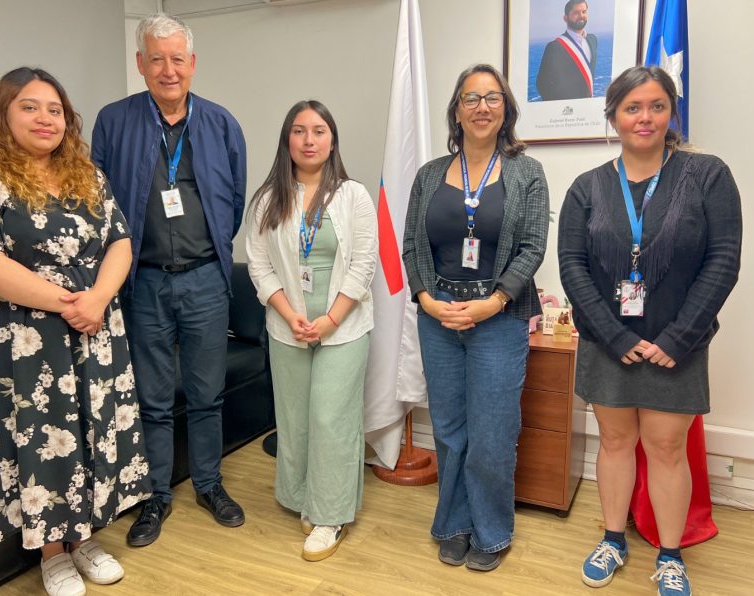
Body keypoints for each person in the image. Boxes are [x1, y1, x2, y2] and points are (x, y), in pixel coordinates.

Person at [0, 67, 151, 596]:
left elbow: (119, 241)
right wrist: (70, 304)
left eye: (54, 109)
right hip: (23, 343)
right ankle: (51, 551)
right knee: (39, 437)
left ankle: (83, 539)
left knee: (88, 432)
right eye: (30, 106)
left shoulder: (88, 175)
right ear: (3, 114)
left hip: (92, 330)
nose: (45, 118)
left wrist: (97, 299)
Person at [558, 66, 742, 595]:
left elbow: (723, 260)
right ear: (613, 115)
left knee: (666, 449)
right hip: (608, 343)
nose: (645, 117)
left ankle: (668, 554)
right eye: (632, 107)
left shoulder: (707, 176)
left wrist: (678, 338)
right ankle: (613, 540)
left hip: (676, 347)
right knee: (614, 444)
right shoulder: (587, 187)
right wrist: (616, 338)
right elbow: (572, 266)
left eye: (657, 105)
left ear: (671, 113)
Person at [92, 13, 247, 545]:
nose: (167, 69)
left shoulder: (222, 123)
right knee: (153, 400)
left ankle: (208, 484)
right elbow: (101, 206)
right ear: (140, 64)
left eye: (177, 58)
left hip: (206, 280)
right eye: (156, 58)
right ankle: (155, 496)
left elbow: (235, 202)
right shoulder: (114, 122)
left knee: (207, 394)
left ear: (192, 64)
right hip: (143, 285)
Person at [402, 64, 549, 572]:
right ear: (457, 111)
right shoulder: (427, 175)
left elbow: (532, 247)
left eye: (492, 98)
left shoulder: (526, 172)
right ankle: (454, 525)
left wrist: (494, 301)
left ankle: (491, 531)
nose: (482, 107)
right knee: (448, 430)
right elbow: (412, 248)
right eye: (471, 98)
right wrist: (425, 298)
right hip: (438, 316)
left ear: (505, 108)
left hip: (498, 319)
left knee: (492, 432)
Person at [246, 100, 376, 562]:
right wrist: (289, 314)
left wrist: (330, 319)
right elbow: (260, 267)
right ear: (287, 142)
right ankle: (304, 496)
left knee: (329, 417)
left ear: (332, 140)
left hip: (342, 326)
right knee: (296, 417)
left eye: (319, 131)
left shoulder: (352, 195)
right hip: (289, 327)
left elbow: (364, 265)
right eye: (299, 131)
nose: (309, 140)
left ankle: (331, 514)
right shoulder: (267, 199)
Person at [536, 0, 598, 101]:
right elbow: (542, 84)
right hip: (566, 111)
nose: (581, 15)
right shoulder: (554, 47)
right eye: (576, 13)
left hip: (587, 108)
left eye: (584, 12)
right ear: (565, 18)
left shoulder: (593, 40)